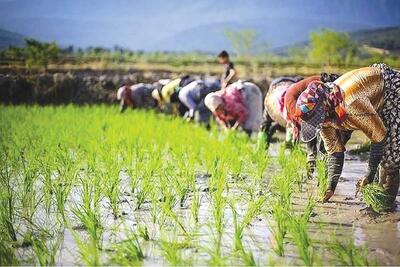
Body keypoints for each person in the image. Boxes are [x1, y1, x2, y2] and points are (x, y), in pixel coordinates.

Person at [294, 64, 400, 208]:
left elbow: (379, 137)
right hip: (368, 98)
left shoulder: (351, 104)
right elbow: (335, 152)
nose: (322, 123)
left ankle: (386, 205)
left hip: (391, 90)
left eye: (320, 118)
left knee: (390, 152)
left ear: (325, 108)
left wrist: (368, 175)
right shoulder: (324, 116)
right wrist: (330, 187)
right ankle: (376, 193)